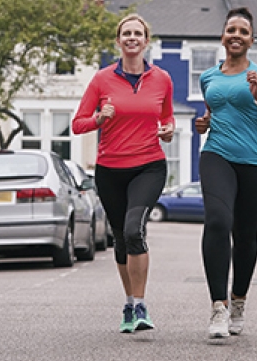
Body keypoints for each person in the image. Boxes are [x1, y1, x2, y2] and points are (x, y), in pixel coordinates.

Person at [72, 13, 175, 334]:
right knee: (120, 239)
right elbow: (78, 124)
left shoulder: (162, 79)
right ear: (118, 41)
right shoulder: (102, 80)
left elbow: (167, 119)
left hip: (149, 165)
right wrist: (99, 119)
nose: (132, 38)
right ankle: (129, 304)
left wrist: (168, 131)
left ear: (146, 41)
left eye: (138, 33)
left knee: (134, 230)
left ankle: (141, 304)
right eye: (126, 33)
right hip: (110, 169)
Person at [194, 7, 257, 339]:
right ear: (223, 36)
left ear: (251, 40)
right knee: (217, 221)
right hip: (217, 155)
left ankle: (238, 300)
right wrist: (203, 123)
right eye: (231, 29)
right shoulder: (208, 78)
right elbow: (213, 113)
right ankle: (218, 307)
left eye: (243, 32)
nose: (236, 35)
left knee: (246, 237)